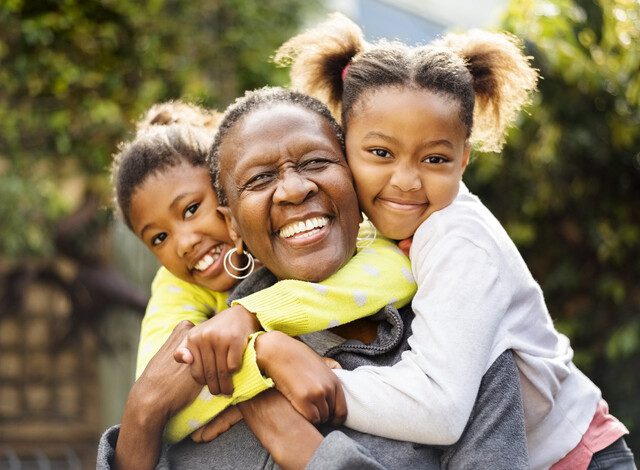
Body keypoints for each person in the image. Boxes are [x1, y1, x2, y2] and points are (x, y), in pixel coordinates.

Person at [272, 12, 635, 469]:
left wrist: (328, 383)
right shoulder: (371, 229)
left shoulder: (458, 239)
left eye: (435, 158)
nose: (405, 180)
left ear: (463, 160)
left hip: (578, 459)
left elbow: (440, 409)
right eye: (381, 153)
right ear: (343, 145)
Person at [97, 87, 530, 469]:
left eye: (317, 162)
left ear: (356, 181)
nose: (293, 189)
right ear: (232, 225)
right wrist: (145, 410)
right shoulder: (206, 362)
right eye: (260, 178)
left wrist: (306, 451)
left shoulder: (459, 345)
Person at [110, 100, 417, 443]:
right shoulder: (175, 286)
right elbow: (159, 391)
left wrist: (253, 317)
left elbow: (398, 271)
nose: (183, 242)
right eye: (159, 237)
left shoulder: (337, 230)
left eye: (192, 208)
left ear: (228, 192)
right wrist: (263, 366)